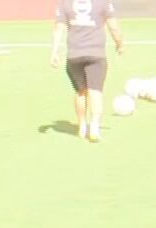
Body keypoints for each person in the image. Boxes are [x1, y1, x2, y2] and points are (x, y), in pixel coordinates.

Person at [51, 0, 124, 143]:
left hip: (74, 55)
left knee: (80, 92)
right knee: (95, 91)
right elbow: (113, 26)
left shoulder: (65, 4)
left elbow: (58, 29)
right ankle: (95, 126)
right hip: (96, 54)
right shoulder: (103, 3)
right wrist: (120, 44)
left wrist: (54, 52)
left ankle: (82, 125)